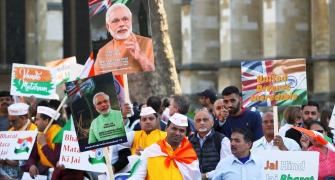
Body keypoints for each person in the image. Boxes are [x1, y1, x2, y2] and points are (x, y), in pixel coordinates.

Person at [129, 113, 201, 180]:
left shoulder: (190, 156)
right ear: (166, 128)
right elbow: (137, 176)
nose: (177, 133)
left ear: (186, 134)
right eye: (174, 128)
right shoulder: (151, 151)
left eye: (181, 131)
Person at [94, 3, 154, 75]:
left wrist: (140, 57)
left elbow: (158, 75)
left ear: (131, 21)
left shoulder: (149, 43)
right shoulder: (102, 53)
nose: (121, 24)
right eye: (115, 20)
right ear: (108, 26)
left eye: (125, 19)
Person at [189, 108, 231, 179]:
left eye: (205, 120)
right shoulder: (188, 140)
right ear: (195, 124)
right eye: (198, 120)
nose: (202, 123)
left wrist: (206, 176)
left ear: (212, 123)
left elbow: (226, 166)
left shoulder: (222, 140)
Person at [22, 105, 62, 178]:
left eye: (37, 119)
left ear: (46, 121)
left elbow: (57, 163)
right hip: (43, 171)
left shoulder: (59, 134)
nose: (35, 122)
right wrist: (31, 165)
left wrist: (44, 145)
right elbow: (31, 154)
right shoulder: (40, 133)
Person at [0, 103, 37, 179]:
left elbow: (28, 157)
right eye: (9, 121)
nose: (11, 124)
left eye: (13, 121)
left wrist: (13, 161)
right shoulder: (10, 131)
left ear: (23, 118)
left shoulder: (34, 131)